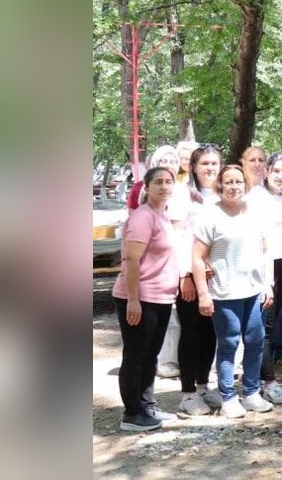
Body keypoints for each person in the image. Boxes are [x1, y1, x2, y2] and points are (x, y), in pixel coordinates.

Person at [192, 165, 274, 418]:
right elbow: (196, 257)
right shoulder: (211, 216)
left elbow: (265, 251)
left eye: (238, 182)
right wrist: (204, 294)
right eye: (228, 182)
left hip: (253, 291)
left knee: (255, 340)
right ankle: (228, 396)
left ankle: (251, 393)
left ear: (245, 185)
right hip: (224, 293)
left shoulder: (254, 214)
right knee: (228, 344)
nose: (234, 186)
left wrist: (267, 283)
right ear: (220, 185)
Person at [113, 167, 181, 432]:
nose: (164, 187)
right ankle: (132, 414)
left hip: (161, 298)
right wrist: (133, 299)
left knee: (150, 355)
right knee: (136, 355)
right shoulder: (143, 217)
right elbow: (131, 259)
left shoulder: (161, 216)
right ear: (147, 187)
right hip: (140, 297)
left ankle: (146, 405)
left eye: (168, 182)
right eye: (158, 182)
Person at [175, 144, 221, 417]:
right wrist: (185, 275)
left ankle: (204, 386)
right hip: (191, 275)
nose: (210, 168)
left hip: (217, 277)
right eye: (204, 163)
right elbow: (179, 236)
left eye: (214, 163)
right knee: (190, 333)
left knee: (210, 333)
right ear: (193, 166)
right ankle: (187, 392)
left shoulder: (222, 193)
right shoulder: (183, 195)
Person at [251, 152, 282, 405]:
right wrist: (266, 277)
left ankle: (258, 380)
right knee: (264, 327)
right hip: (264, 268)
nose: (281, 176)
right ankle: (267, 382)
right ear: (267, 171)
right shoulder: (256, 198)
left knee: (270, 324)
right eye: (277, 170)